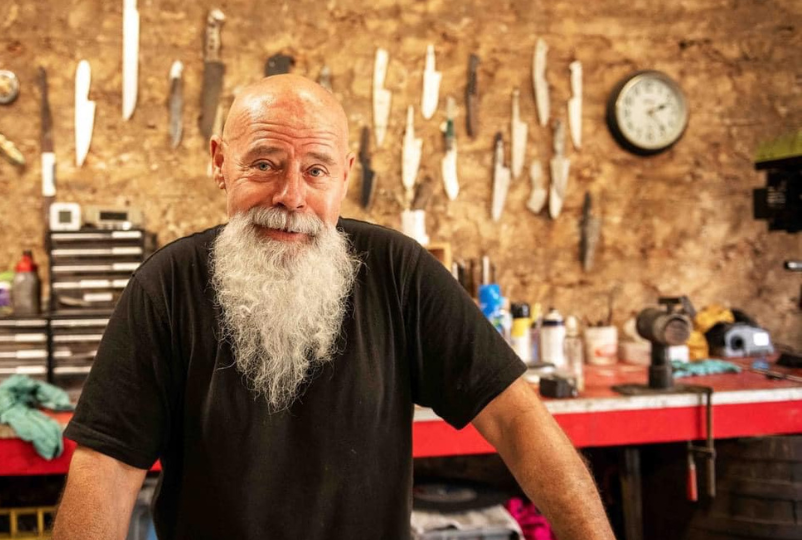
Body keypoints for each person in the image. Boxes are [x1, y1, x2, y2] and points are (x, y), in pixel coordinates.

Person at [53, 74, 615, 540]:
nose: (291, 196)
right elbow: (107, 465)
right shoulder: (166, 286)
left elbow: (517, 419)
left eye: (315, 170)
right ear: (220, 162)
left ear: (344, 175)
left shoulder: (398, 272)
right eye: (265, 164)